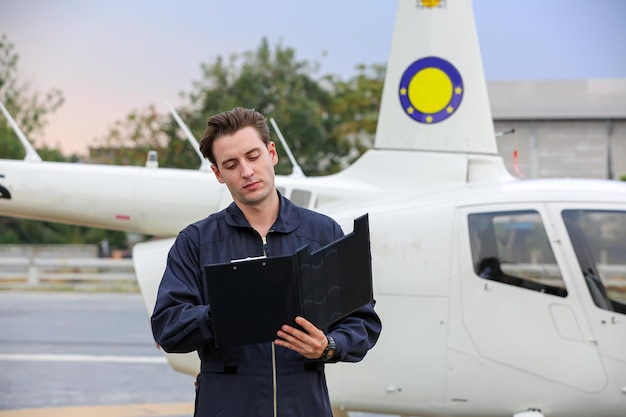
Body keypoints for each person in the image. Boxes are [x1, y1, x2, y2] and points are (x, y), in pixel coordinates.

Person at [151, 107, 382, 417]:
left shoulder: (323, 233)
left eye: (253, 156)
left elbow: (363, 322)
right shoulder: (196, 241)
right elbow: (168, 327)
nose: (246, 171)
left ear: (271, 153)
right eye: (231, 164)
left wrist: (328, 345)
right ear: (218, 174)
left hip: (305, 407)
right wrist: (224, 312)